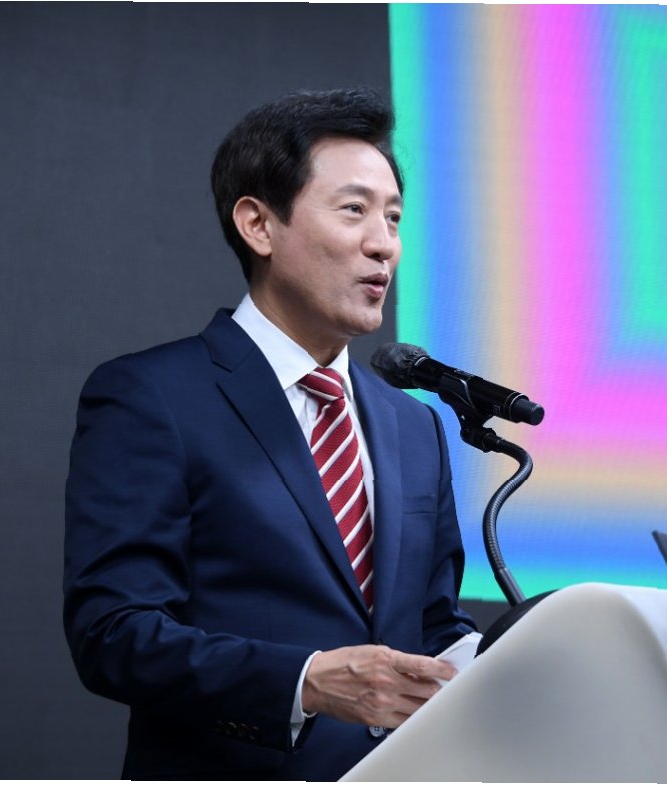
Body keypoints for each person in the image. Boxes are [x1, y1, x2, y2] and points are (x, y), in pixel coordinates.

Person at [63, 87, 477, 780]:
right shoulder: (152, 396)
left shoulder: (415, 425)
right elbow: (113, 633)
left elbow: (433, 626)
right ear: (258, 224)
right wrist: (305, 681)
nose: (384, 244)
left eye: (394, 218)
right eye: (354, 210)